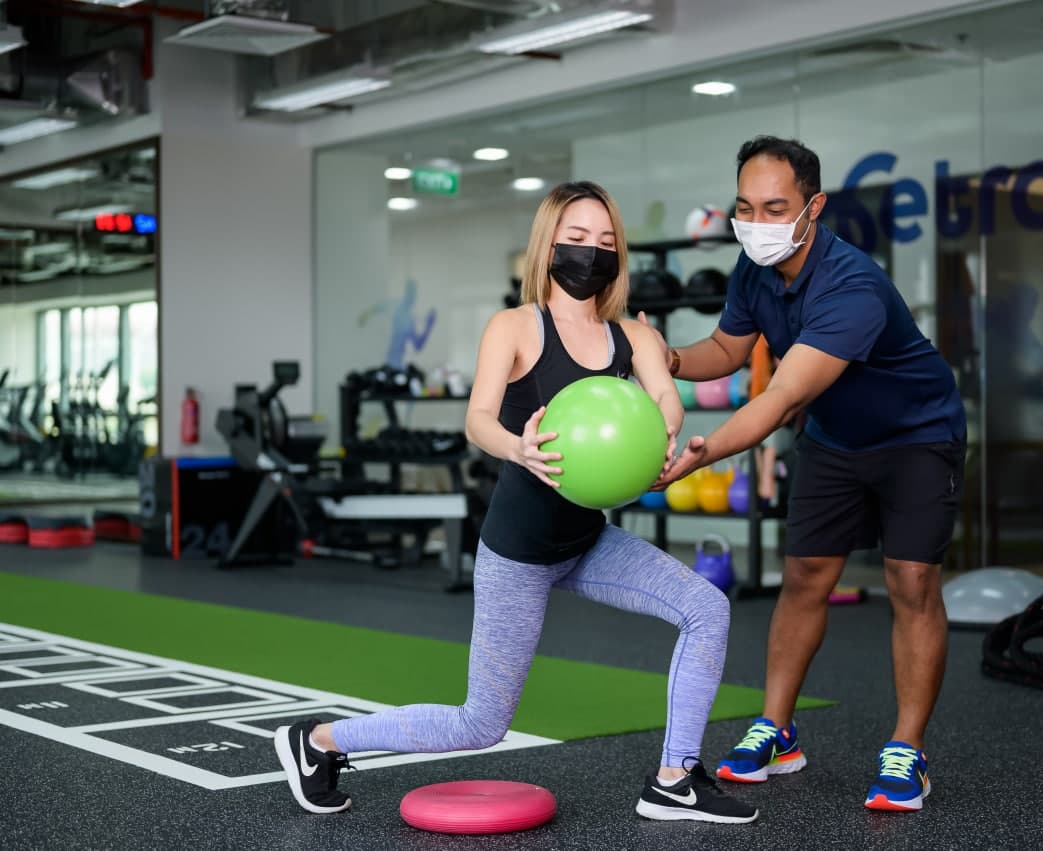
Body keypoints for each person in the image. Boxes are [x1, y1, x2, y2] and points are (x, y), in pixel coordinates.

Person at [273, 181, 758, 825]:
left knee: (707, 609)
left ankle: (674, 777)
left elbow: (665, 399)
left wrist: (664, 435)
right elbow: (476, 420)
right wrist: (517, 447)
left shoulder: (633, 337)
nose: (592, 252)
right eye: (577, 240)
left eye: (606, 242)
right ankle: (318, 741)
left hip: (586, 542)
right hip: (518, 551)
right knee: (481, 724)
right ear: (548, 245)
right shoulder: (515, 327)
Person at [646, 136, 967, 813]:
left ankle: (907, 747)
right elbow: (729, 350)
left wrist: (698, 454)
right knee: (804, 577)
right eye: (744, 207)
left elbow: (780, 398)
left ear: (812, 207)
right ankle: (778, 728)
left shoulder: (852, 285)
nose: (755, 223)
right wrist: (666, 358)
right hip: (834, 437)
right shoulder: (754, 268)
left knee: (910, 580)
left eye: (774, 207)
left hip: (916, 435)